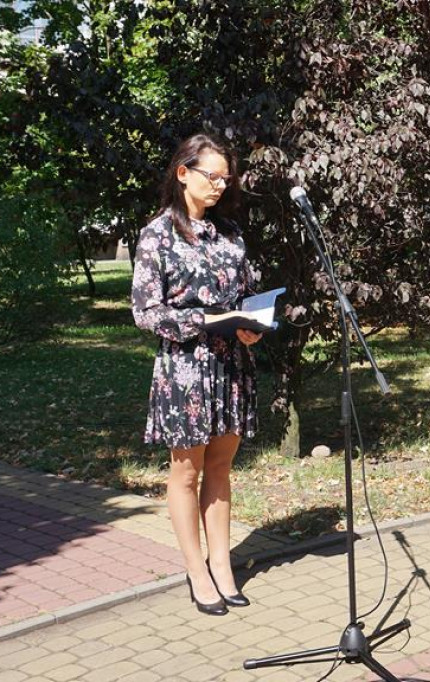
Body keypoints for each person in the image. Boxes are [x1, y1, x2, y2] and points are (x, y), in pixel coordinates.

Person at [132, 134, 261, 615]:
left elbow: (245, 294)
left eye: (226, 178)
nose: (221, 185)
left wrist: (251, 326)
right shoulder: (157, 235)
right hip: (185, 370)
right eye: (213, 176)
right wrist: (202, 320)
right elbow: (145, 311)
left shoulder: (230, 233)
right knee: (186, 472)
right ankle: (196, 571)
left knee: (221, 466)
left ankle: (222, 565)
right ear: (183, 173)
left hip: (231, 365)